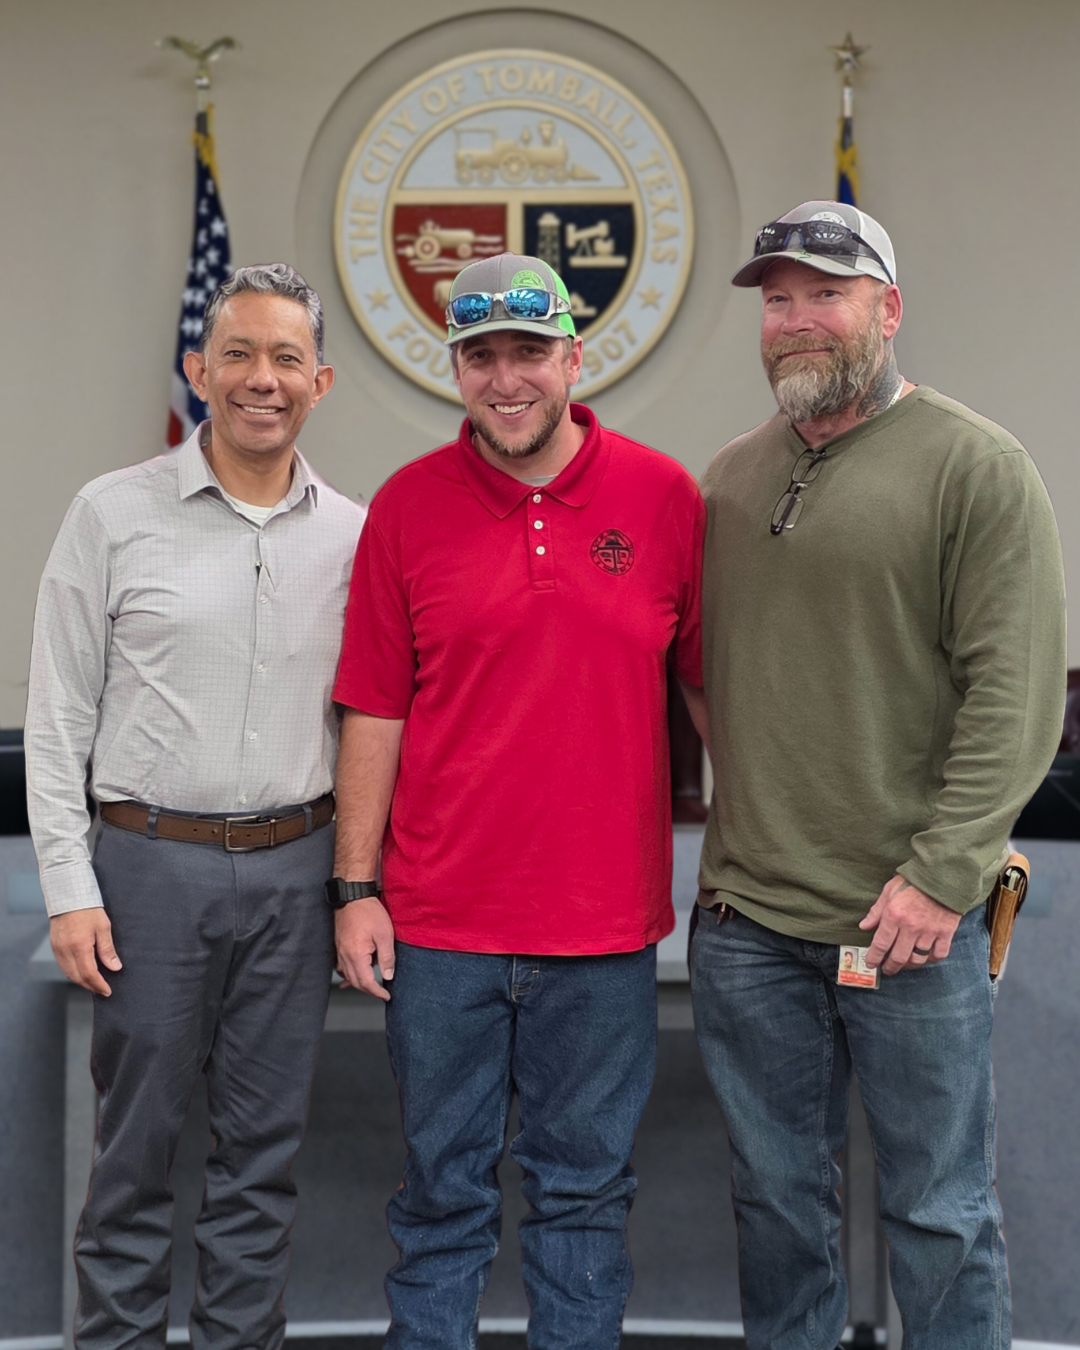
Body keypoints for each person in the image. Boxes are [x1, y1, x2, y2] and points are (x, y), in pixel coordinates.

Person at [691, 201, 1066, 1350]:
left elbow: (1017, 697)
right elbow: (704, 672)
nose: (799, 320)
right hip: (748, 925)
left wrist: (942, 876)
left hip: (910, 923)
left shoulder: (977, 466)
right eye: (779, 299)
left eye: (828, 293)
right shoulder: (729, 480)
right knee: (777, 1213)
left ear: (888, 309)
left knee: (941, 1217)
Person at [330, 252, 705, 1349]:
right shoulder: (403, 509)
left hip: (603, 930)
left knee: (584, 1204)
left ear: (573, 359)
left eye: (529, 354)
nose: (507, 380)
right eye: (482, 357)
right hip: (440, 928)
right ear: (455, 368)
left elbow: (711, 693)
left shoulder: (664, 496)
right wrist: (356, 887)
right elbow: (374, 712)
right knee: (439, 1203)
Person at [25, 264, 365, 1350]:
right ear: (198, 369)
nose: (260, 380)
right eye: (237, 355)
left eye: (283, 360)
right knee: (133, 1161)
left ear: (320, 381)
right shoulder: (112, 514)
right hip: (148, 874)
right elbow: (58, 717)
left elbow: (375, 722)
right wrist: (70, 890)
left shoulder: (357, 536)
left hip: (294, 876)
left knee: (261, 1166)